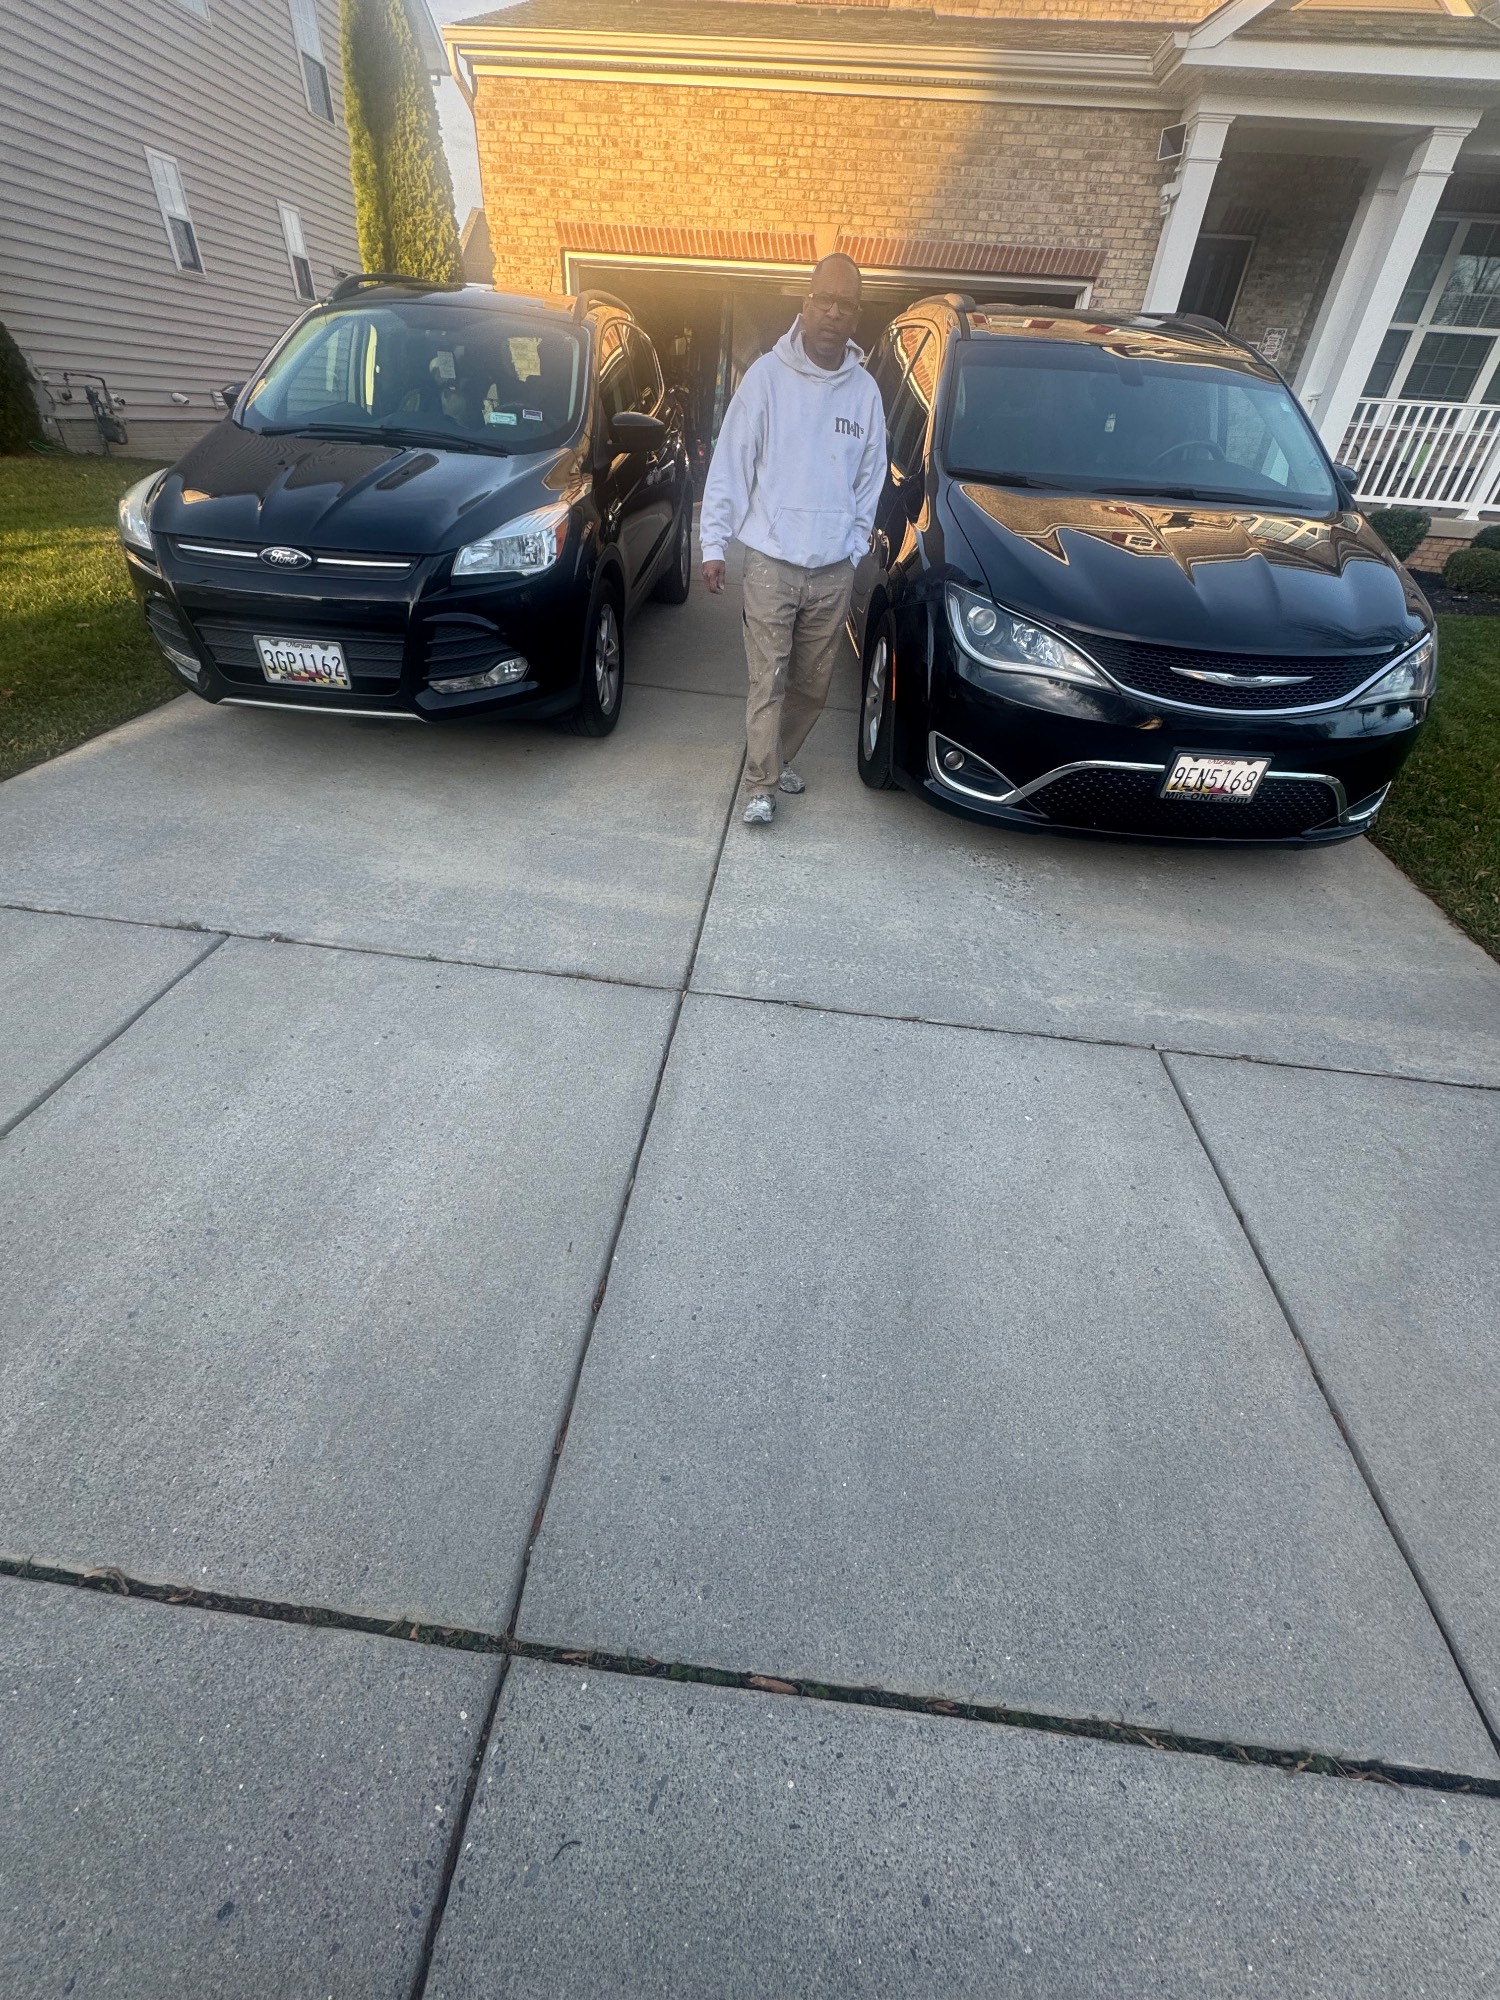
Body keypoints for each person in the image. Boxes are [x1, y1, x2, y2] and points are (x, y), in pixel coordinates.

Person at [700, 255, 887, 825]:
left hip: (831, 569)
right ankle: (760, 784)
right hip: (770, 564)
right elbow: (732, 461)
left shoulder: (865, 393)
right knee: (768, 679)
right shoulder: (766, 379)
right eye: (824, 300)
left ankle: (777, 757)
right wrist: (714, 543)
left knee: (812, 687)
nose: (833, 313)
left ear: (856, 315)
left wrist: (854, 547)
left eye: (845, 305)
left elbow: (870, 479)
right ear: (806, 305)